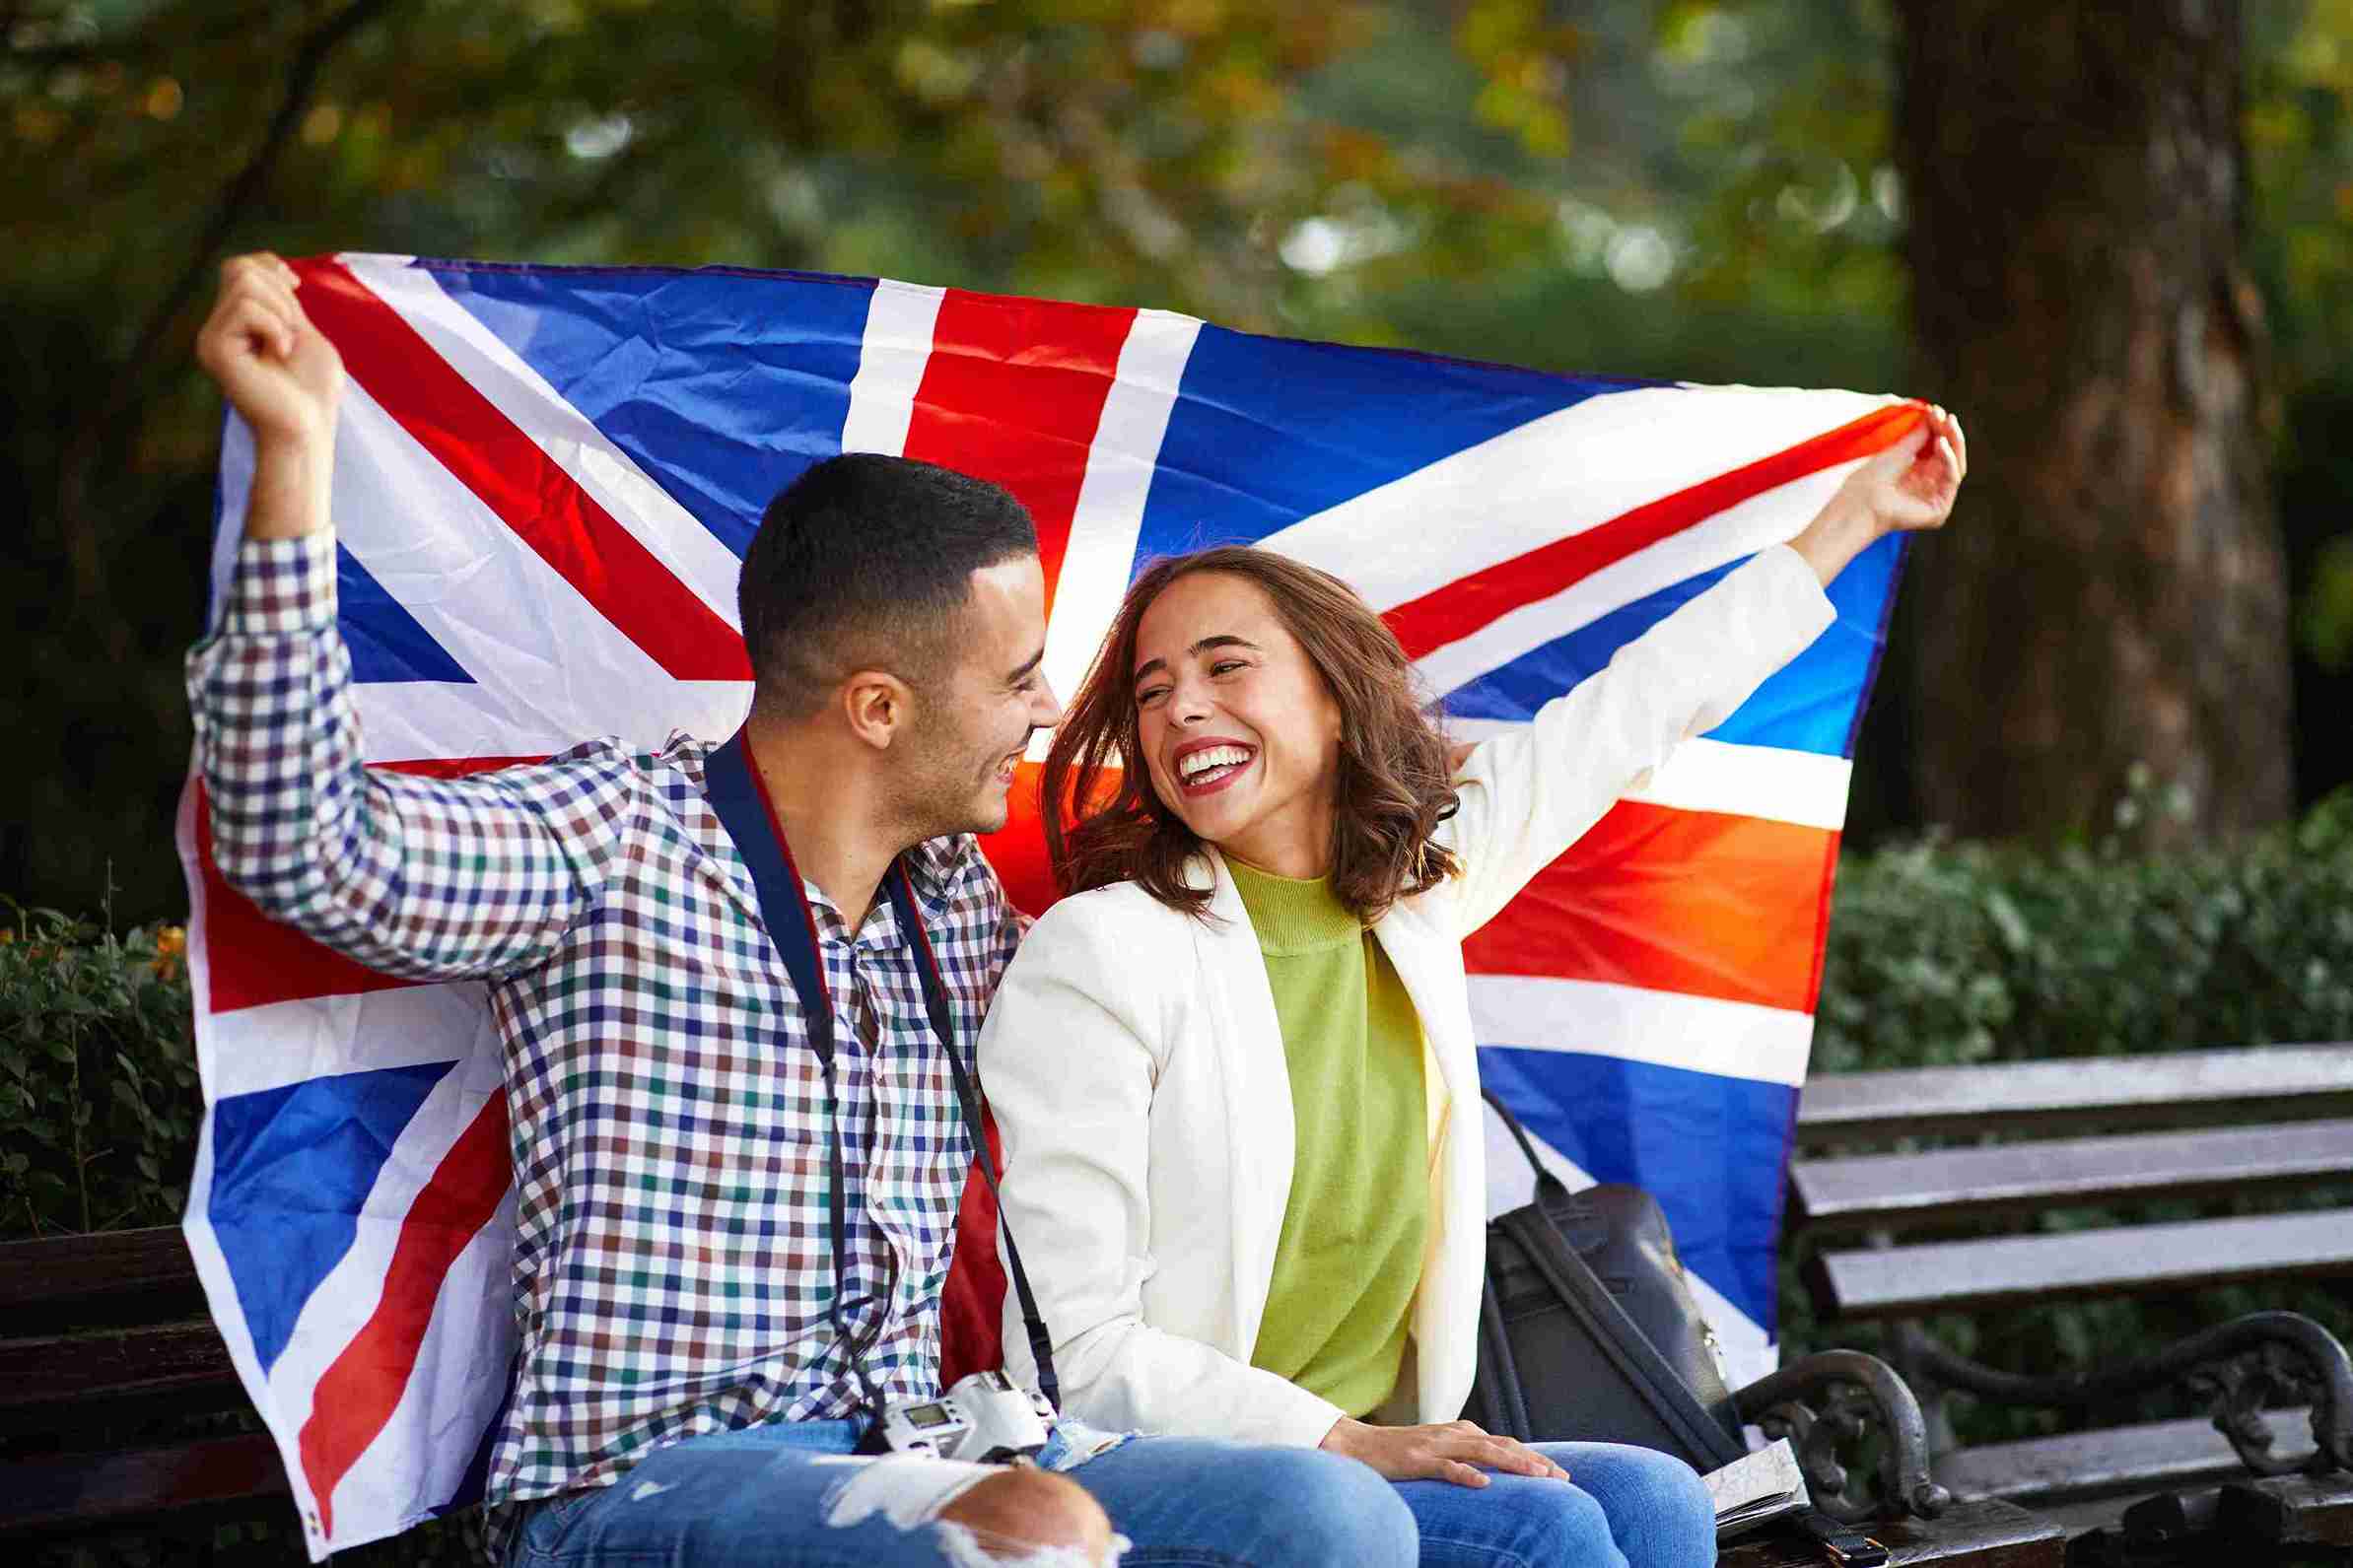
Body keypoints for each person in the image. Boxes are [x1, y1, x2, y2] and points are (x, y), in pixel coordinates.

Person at [188, 252, 1427, 1568]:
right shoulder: (618, 841)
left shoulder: (955, 913)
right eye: (1014, 675)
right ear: (878, 708)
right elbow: (305, 842)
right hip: (634, 1490)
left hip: (932, 1448)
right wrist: (295, 456)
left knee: (1355, 1510)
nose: (1053, 708)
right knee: (1027, 1529)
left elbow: (1183, 1005)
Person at [976, 407, 1967, 1567]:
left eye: (1223, 665)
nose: (1179, 707)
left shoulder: (1410, 899)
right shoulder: (1102, 952)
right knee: (1543, 1527)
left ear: (1334, 699)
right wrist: (1340, 1438)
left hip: (1358, 1452)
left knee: (1656, 1500)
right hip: (1154, 1462)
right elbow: (1081, 1355)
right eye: (1149, 691)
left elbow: (1627, 715)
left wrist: (1852, 518)